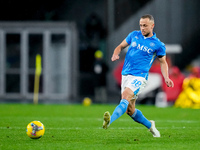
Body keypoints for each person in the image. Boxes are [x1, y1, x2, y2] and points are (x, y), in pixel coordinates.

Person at [102, 14, 174, 137]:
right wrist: (115, 54)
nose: (142, 28)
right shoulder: (133, 35)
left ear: (152, 26)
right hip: (125, 75)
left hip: (139, 77)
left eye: (145, 26)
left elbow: (163, 63)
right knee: (130, 110)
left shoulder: (158, 45)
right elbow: (120, 46)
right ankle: (151, 126)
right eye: (140, 25)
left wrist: (166, 77)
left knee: (125, 96)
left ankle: (109, 121)